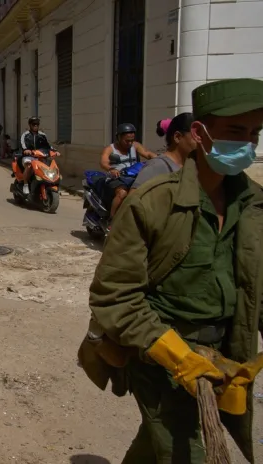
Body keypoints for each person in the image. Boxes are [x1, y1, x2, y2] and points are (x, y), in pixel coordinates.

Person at [87, 78, 263, 463]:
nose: (247, 143)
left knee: (156, 445)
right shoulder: (154, 202)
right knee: (185, 451)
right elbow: (113, 295)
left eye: (255, 133)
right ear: (198, 134)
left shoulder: (254, 206)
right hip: (159, 359)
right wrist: (176, 356)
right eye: (236, 131)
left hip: (220, 358)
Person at [99, 123, 157, 220]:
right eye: (127, 141)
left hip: (133, 176)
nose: (130, 143)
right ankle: (112, 219)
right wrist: (111, 169)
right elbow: (103, 162)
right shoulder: (110, 149)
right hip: (116, 178)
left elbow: (147, 153)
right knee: (122, 193)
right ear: (119, 138)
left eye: (132, 140)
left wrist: (159, 159)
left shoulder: (135, 146)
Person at [130, 113, 196, 192]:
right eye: (196, 135)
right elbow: (132, 201)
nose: (202, 141)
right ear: (177, 137)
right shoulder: (156, 166)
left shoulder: (193, 166)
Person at [19, 117, 54, 194]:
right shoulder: (25, 135)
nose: (35, 126)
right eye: (33, 124)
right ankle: (25, 184)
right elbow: (22, 144)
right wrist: (25, 150)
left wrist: (54, 151)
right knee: (29, 166)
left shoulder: (42, 135)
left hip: (40, 156)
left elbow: (48, 145)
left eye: (37, 124)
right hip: (28, 156)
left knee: (48, 167)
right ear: (30, 125)